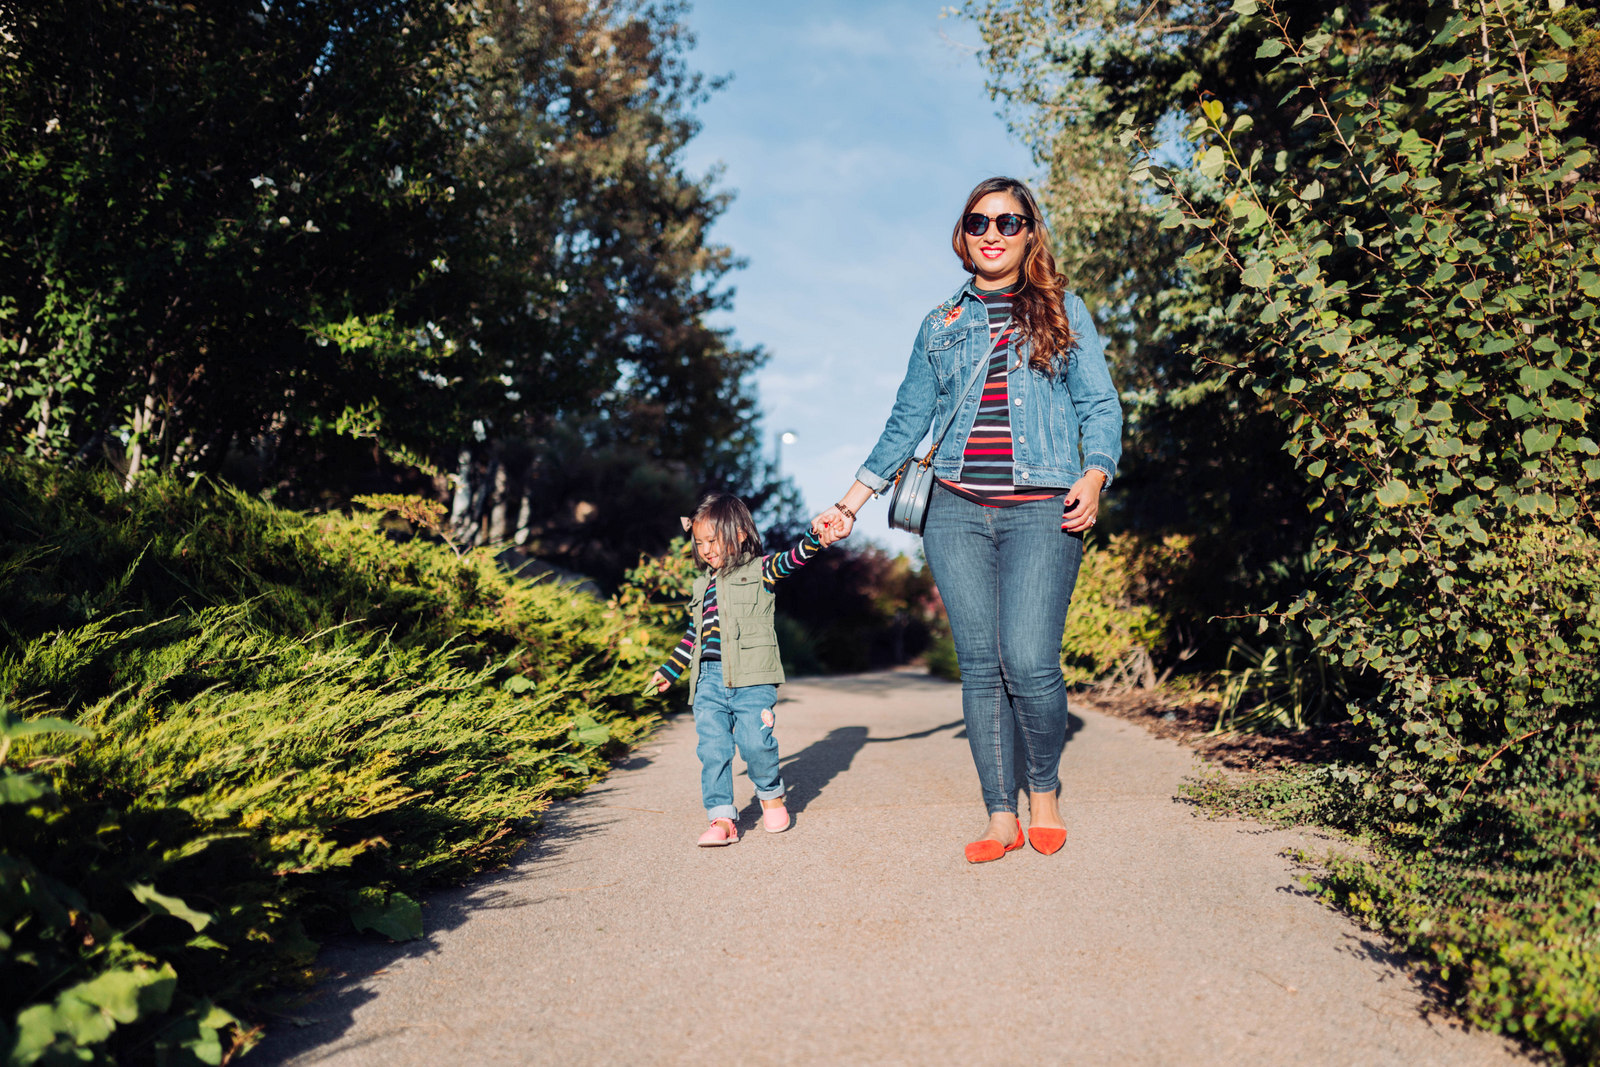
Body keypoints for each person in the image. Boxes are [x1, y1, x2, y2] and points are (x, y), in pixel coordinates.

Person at [813, 176, 1122, 864]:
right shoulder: (940, 324)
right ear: (964, 234)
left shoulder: (1065, 311)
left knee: (1032, 661)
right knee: (982, 666)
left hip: (1043, 506)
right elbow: (906, 421)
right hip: (954, 509)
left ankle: (1044, 787)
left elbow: (1100, 404)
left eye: (1009, 222)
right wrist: (848, 503)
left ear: (1030, 233)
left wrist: (1095, 473)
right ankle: (999, 814)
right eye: (979, 221)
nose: (992, 233)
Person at [649, 492, 837, 847]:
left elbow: (792, 560)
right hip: (708, 681)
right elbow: (694, 635)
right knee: (713, 750)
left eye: (713, 540)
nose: (706, 549)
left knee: (755, 743)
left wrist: (814, 539)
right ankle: (721, 819)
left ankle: (770, 795)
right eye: (700, 542)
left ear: (739, 535)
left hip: (752, 679)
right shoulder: (701, 585)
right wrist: (670, 670)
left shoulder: (760, 570)